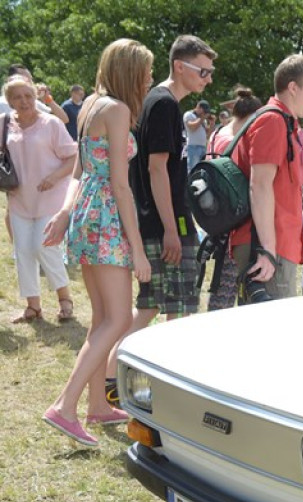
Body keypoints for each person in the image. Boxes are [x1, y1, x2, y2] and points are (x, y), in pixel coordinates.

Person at [40, 38, 153, 447]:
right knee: (118, 319)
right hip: (107, 215)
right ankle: (64, 406)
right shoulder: (117, 109)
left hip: (88, 212)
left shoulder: (90, 104)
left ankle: (97, 406)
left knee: (103, 316)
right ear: (130, 72)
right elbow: (121, 185)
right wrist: (137, 249)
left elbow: (78, 171)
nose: (149, 79)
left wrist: (66, 212)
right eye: (146, 71)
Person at [102, 35, 217, 404]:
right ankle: (131, 381)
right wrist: (171, 228)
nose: (208, 78)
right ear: (179, 67)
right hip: (166, 223)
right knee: (177, 311)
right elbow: (156, 169)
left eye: (211, 72)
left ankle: (110, 378)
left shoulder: (161, 102)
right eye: (203, 71)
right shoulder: (164, 103)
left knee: (154, 306)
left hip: (162, 220)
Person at [231, 54, 303, 299]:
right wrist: (268, 250)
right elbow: (259, 185)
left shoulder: (282, 121)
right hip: (269, 249)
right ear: (293, 88)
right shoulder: (273, 120)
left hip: (275, 246)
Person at [3, 76, 77, 323]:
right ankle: (33, 306)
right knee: (23, 251)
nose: (24, 101)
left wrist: (54, 177)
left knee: (43, 246)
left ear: (36, 96)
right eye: (17, 97)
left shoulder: (51, 123)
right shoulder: (4, 124)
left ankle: (65, 299)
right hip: (19, 198)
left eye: (28, 95)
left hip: (50, 197)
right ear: (9, 100)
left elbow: (73, 158)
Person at [204, 86, 262, 312]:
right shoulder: (242, 139)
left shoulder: (216, 134)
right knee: (234, 285)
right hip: (238, 220)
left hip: (216, 216)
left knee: (220, 285)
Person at [0, 64, 70, 124]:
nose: (31, 83)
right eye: (28, 80)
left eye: (31, 80)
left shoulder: (32, 103)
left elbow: (64, 119)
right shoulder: (1, 104)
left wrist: (48, 99)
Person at [183, 98, 212, 171]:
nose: (204, 113)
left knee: (201, 170)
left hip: (203, 147)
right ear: (198, 107)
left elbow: (208, 135)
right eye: (204, 111)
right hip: (193, 146)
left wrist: (212, 124)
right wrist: (202, 118)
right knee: (193, 169)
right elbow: (192, 128)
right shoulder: (189, 114)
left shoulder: (202, 119)